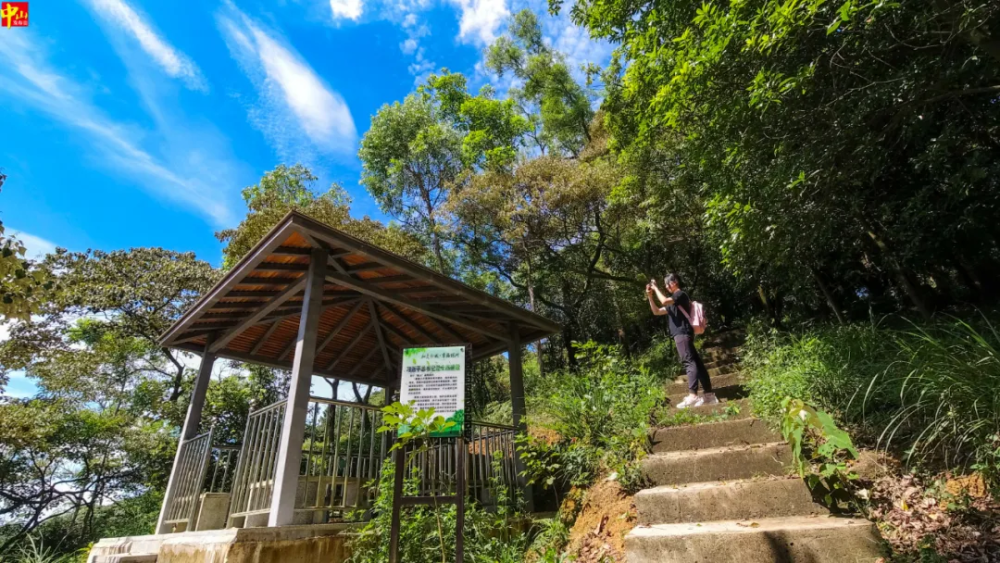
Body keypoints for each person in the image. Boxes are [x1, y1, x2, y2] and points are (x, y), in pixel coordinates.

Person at [645, 274, 717, 408]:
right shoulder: (673, 302)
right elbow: (656, 311)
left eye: (668, 283)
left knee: (688, 362)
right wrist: (650, 296)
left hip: (682, 333)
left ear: (675, 282)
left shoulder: (680, 295)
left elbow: (664, 301)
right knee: (697, 363)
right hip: (682, 334)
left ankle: (693, 395)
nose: (666, 286)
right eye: (665, 285)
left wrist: (655, 288)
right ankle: (709, 395)